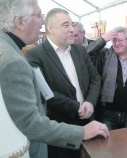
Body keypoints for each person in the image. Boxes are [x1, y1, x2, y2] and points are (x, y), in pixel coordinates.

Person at [0, 0, 109, 158]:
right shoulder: (15, 60)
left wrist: (89, 103)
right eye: (39, 16)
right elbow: (31, 120)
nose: (42, 22)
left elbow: (95, 78)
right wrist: (80, 131)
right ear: (19, 21)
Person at [24, 8, 102, 158]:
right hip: (60, 128)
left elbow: (95, 78)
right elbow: (45, 93)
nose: (72, 29)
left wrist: (90, 102)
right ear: (50, 28)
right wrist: (76, 107)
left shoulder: (79, 50)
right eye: (66, 25)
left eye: (72, 24)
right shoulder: (35, 55)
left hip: (89, 120)